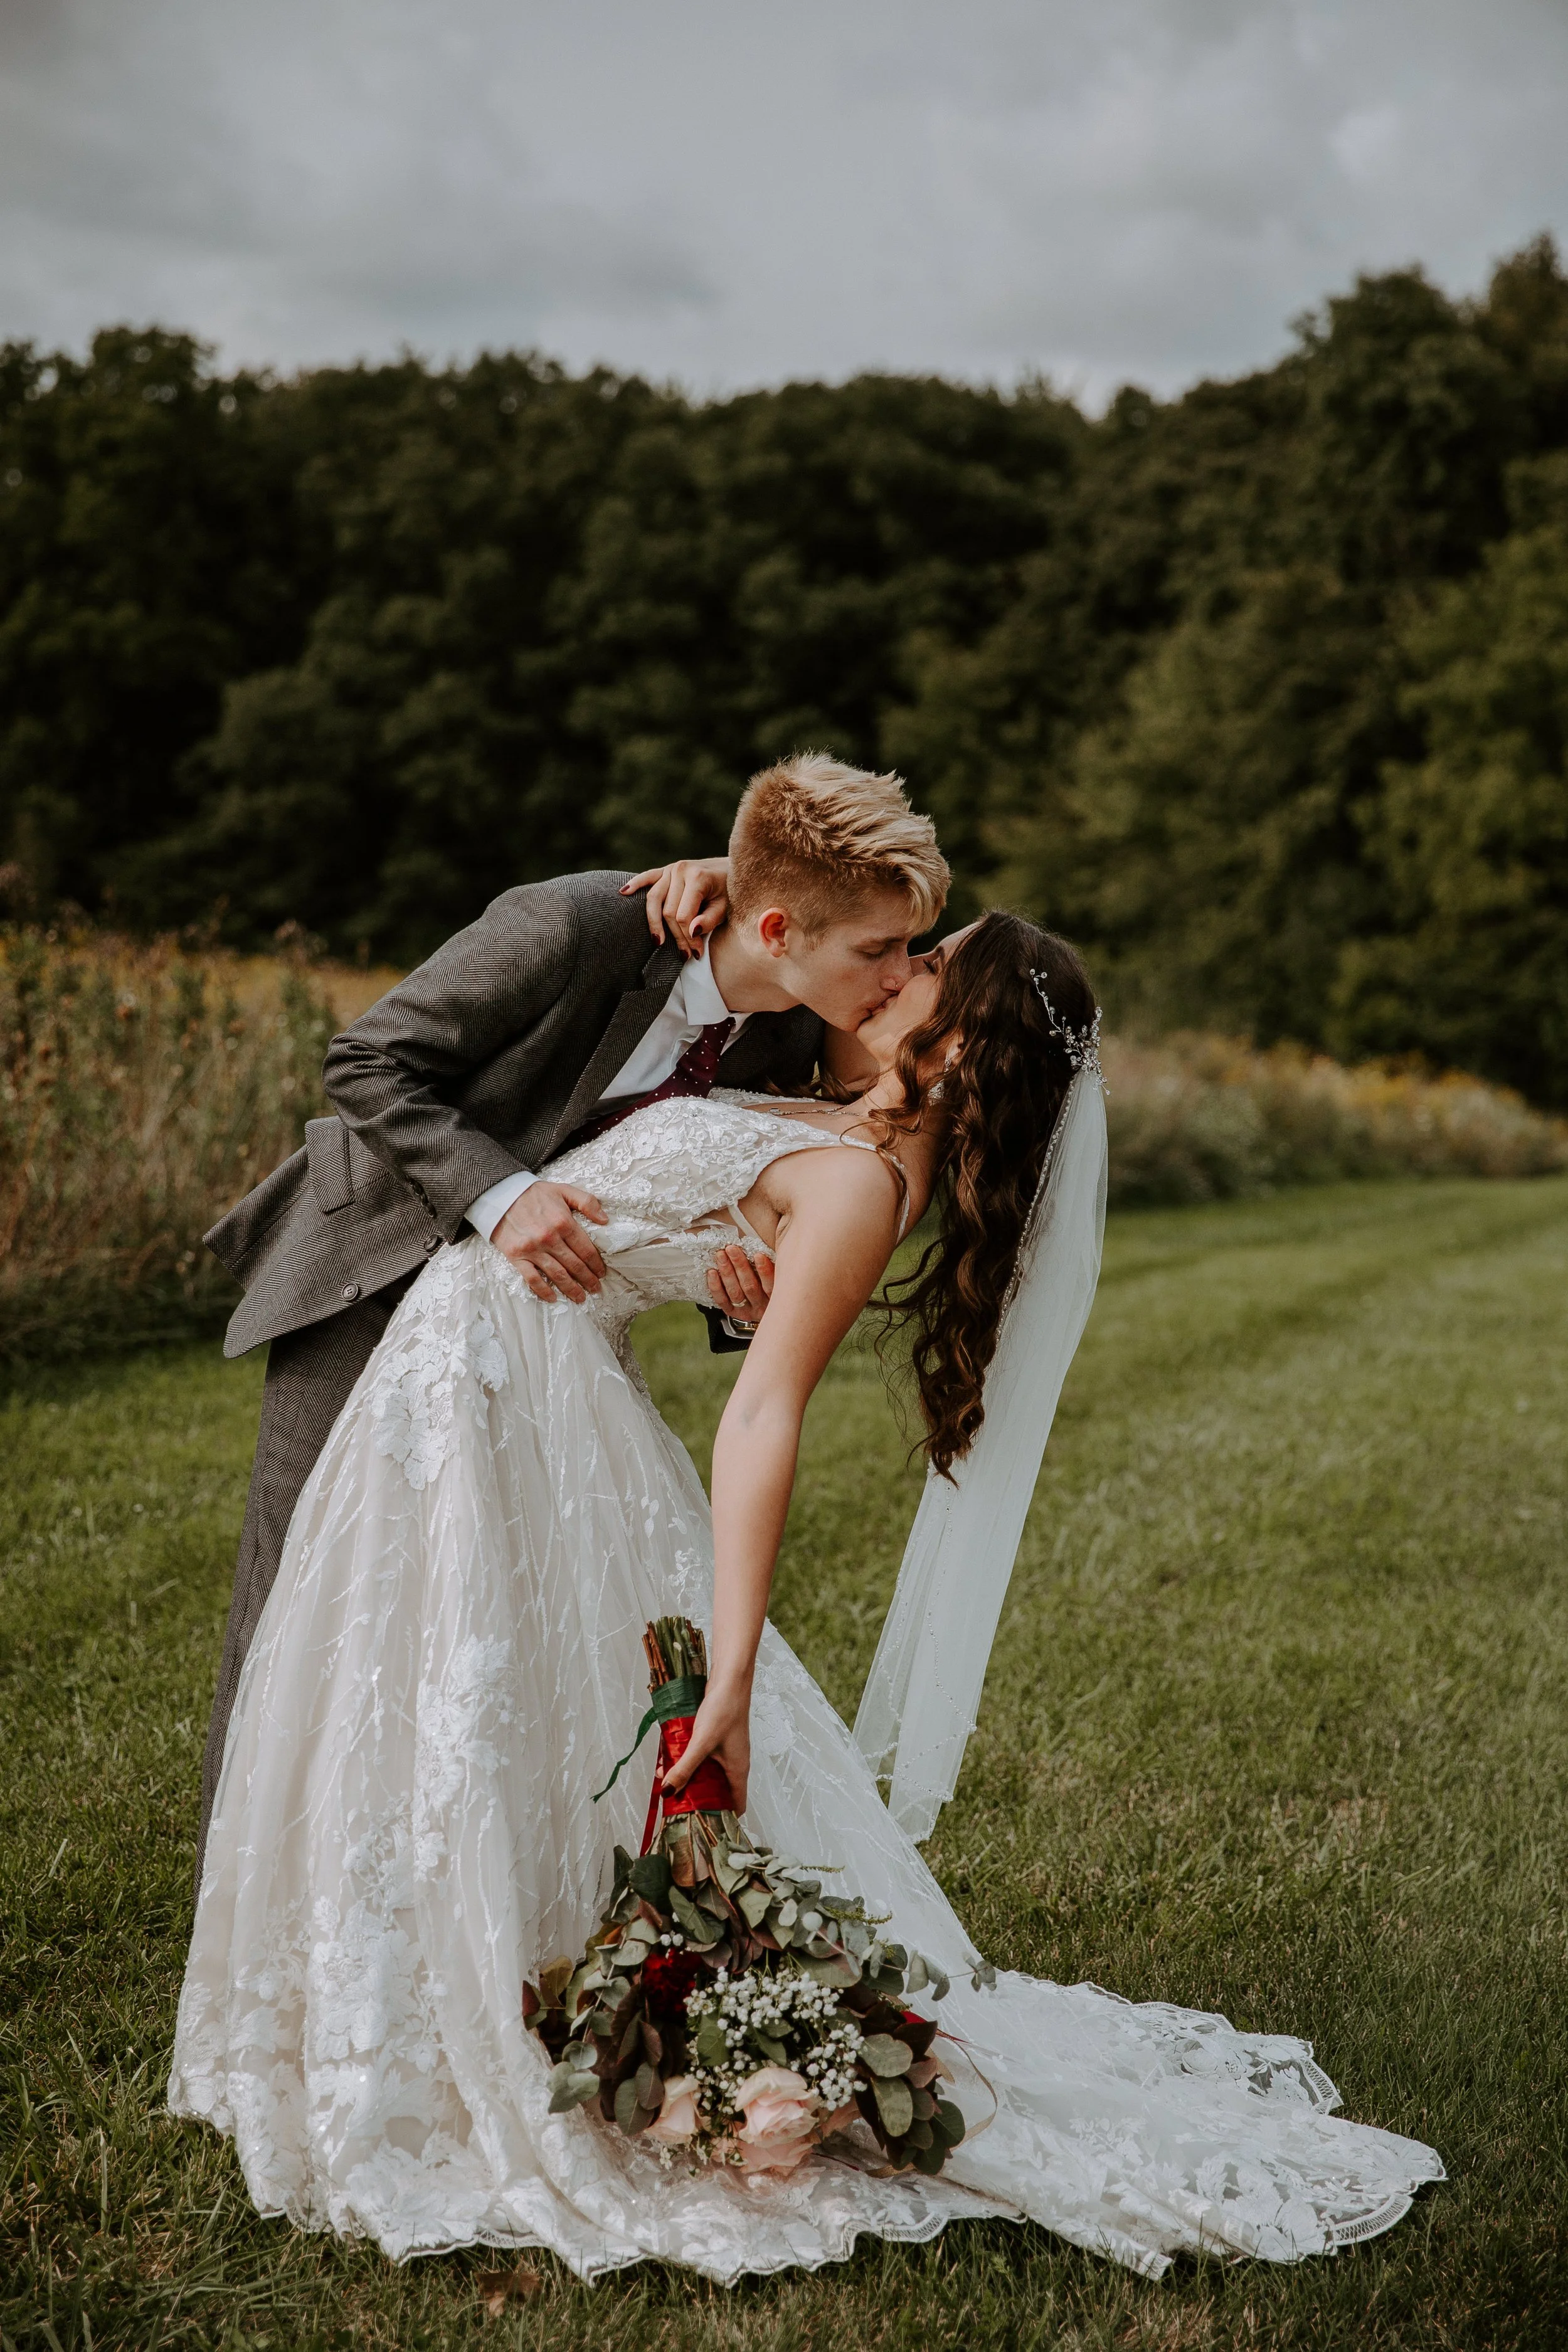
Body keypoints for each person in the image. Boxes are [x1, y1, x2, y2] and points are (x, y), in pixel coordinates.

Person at [170, 887, 1443, 2280]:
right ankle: (381, 1990)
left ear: (957, 1052)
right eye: (896, 949)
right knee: (414, 1697)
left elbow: (766, 1415)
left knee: (446, 1704)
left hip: (507, 1400)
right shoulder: (818, 1112)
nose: (891, 972)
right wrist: (722, 1264)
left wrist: (730, 1670)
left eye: (923, 969)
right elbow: (713, 1039)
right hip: (478, 1378)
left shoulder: (851, 1181)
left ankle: (454, 2018)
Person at [193, 753, 948, 1884]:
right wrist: (503, 1198)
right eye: (877, 950)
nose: (896, 976)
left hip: (525, 1333)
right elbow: (368, 1059)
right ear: (781, 924)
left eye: (904, 949)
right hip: (383, 1261)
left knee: (461, 1594)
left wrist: (738, 1289)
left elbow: (713, 1189)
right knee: (301, 1576)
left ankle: (422, 1870)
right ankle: (242, 1873)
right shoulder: (580, 926)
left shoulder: (792, 1029)